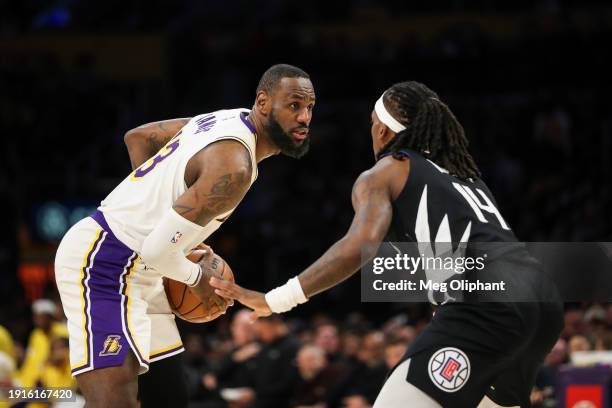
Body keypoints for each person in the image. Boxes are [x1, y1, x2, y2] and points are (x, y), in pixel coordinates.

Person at [210, 81, 564, 407]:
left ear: (381, 129)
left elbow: (357, 245)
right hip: (543, 302)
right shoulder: (464, 177)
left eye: (371, 124)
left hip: (487, 304)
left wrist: (276, 299)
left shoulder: (389, 170)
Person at [54, 63, 315, 407]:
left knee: (168, 399)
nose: (304, 117)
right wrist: (197, 277)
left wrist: (167, 221)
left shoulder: (231, 118)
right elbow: (157, 251)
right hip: (105, 263)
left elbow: (139, 138)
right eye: (293, 105)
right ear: (263, 103)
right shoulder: (234, 165)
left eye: (310, 107)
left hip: (143, 271)